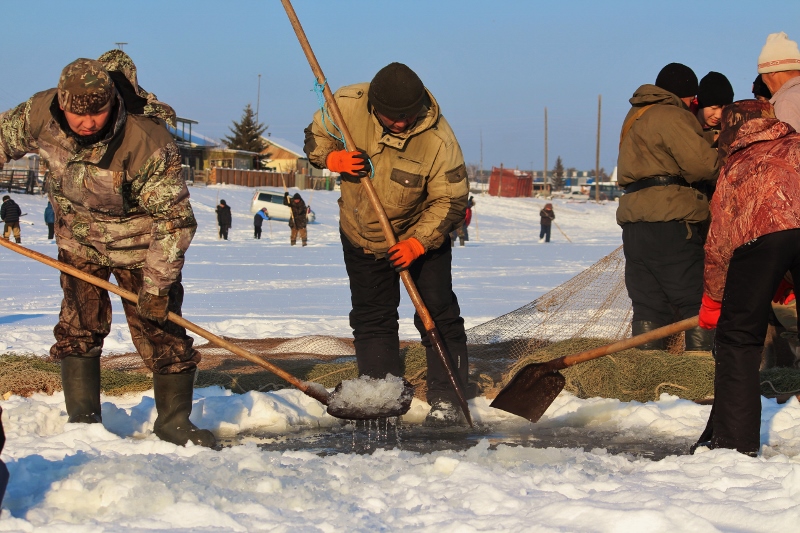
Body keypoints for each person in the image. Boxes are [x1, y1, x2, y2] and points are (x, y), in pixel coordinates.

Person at [0, 51, 214, 447]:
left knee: (161, 332)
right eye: (74, 114)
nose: (85, 123)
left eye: (95, 114)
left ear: (111, 100)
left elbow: (175, 220)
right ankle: (84, 421)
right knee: (78, 326)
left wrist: (156, 286)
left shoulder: (147, 139)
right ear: (61, 103)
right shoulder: (38, 113)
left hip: (140, 246)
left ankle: (173, 423)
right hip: (78, 239)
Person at [303, 62, 471, 426]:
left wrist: (417, 243)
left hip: (418, 233)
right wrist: (332, 158)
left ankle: (448, 399)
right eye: (391, 116)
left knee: (438, 315)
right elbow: (316, 137)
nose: (399, 122)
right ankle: (381, 396)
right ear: (373, 107)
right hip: (360, 233)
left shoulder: (439, 139)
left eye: (407, 116)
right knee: (372, 317)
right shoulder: (346, 105)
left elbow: (452, 199)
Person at [693, 100, 800, 456]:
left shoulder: (736, 164)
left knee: (738, 338)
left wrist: (713, 301)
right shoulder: (798, 145)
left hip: (761, 239)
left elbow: (721, 243)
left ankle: (733, 448)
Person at [616, 62, 720, 351]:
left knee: (648, 304)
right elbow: (703, 166)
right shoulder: (672, 114)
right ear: (686, 95)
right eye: (693, 98)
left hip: (635, 223)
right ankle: (699, 372)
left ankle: (646, 375)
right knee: (693, 298)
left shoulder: (635, 116)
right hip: (671, 219)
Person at [758, 32, 800, 131]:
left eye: (762, 74)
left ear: (772, 71)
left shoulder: (786, 102)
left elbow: (789, 145)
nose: (763, 80)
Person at [694, 72, 734, 146]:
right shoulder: (684, 123)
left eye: (724, 109)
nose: (718, 116)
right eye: (714, 108)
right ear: (701, 104)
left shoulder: (729, 129)